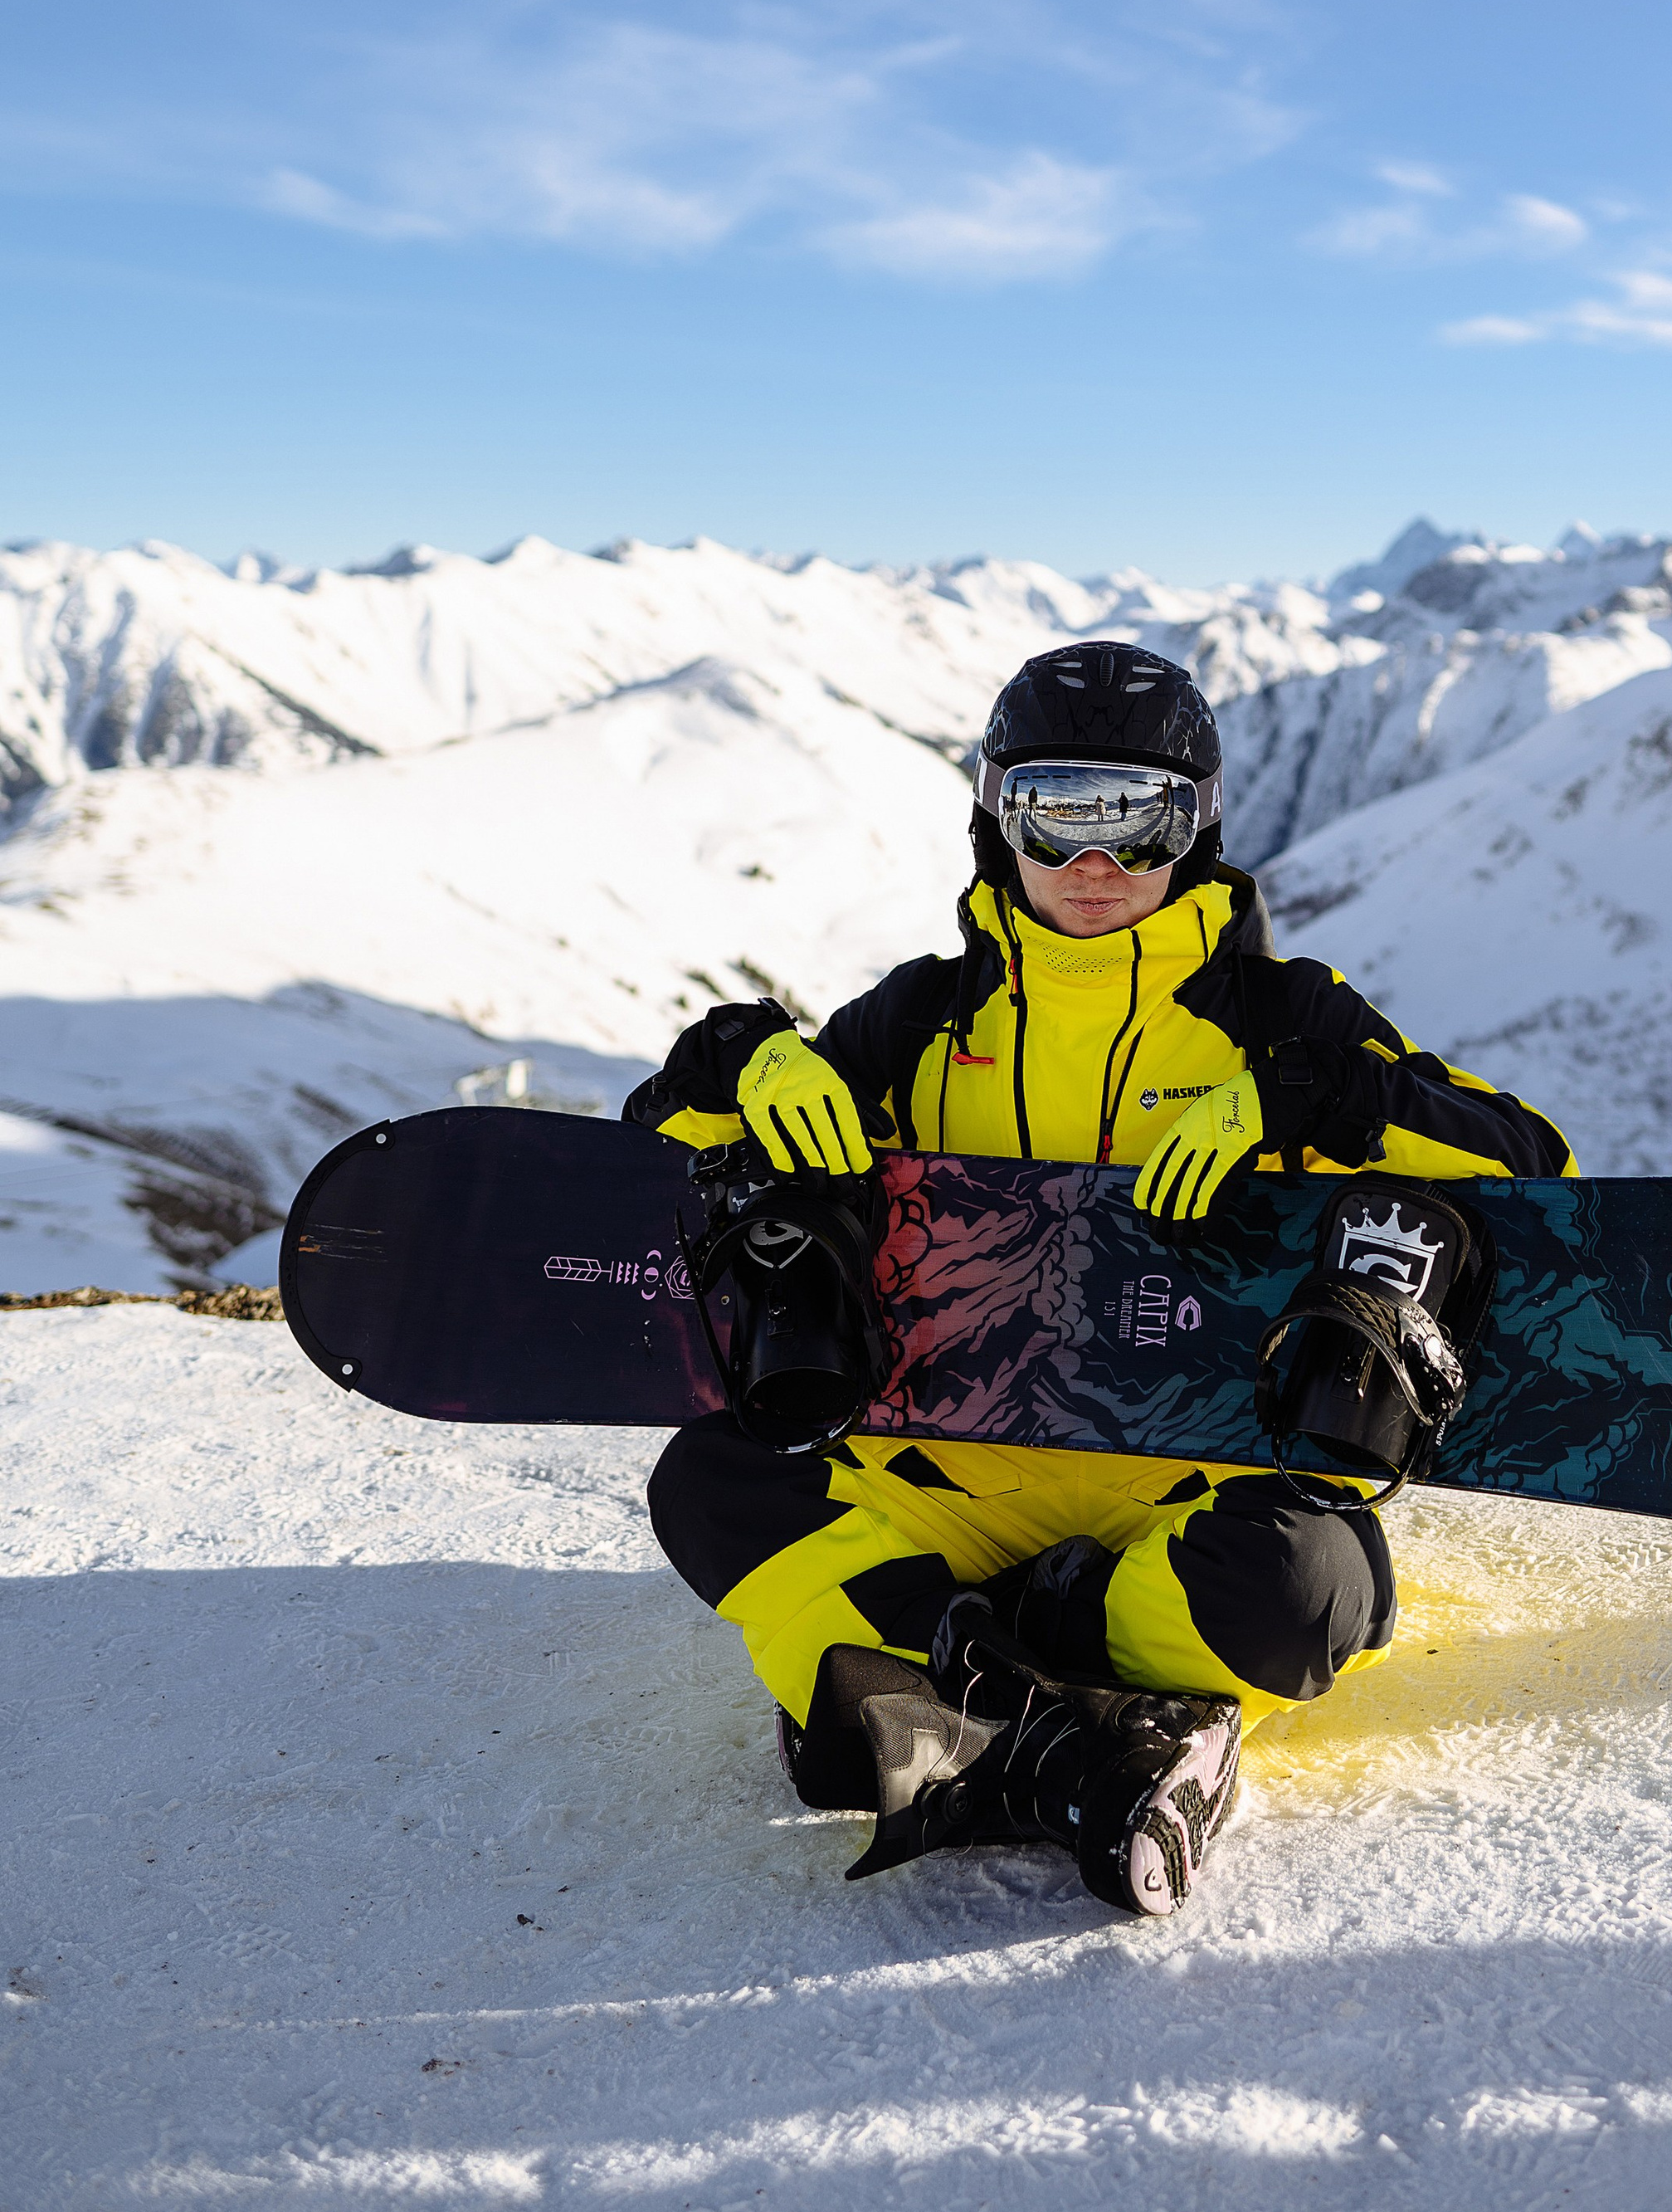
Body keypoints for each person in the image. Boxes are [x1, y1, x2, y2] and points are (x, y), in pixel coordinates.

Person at [629, 640, 1572, 1917]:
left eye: (1139, 819)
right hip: (952, 1476)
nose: (1094, 862)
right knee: (714, 1480)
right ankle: (1095, 1735)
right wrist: (739, 1061)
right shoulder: (921, 1022)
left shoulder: (1284, 1017)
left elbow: (1529, 1163)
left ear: (1200, 829)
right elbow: (655, 1150)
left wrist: (1313, 1090)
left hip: (1182, 1496)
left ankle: (922, 1688)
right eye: (1057, 811)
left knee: (1312, 1592)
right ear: (994, 818)